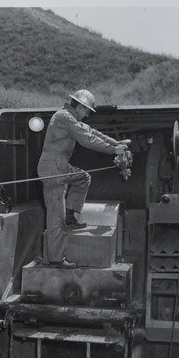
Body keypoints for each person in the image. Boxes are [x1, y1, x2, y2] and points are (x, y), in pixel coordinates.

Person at [37, 89, 130, 268]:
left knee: (83, 178)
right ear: (79, 106)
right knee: (56, 215)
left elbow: (92, 132)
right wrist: (113, 151)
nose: (87, 116)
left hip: (61, 165)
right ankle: (56, 259)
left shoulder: (70, 118)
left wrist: (116, 143)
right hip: (53, 169)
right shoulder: (64, 117)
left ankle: (71, 216)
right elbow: (87, 139)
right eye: (86, 111)